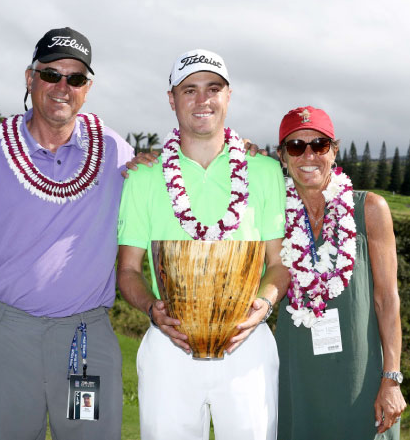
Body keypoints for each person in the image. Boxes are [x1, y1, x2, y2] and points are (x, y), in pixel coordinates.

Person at [0, 27, 134, 440]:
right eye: (51, 74)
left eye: (76, 78)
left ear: (88, 88)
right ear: (30, 78)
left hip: (84, 344)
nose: (62, 87)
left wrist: (234, 150)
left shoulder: (117, 153)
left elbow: (175, 175)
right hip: (5, 336)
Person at [116, 48, 289, 440]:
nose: (202, 100)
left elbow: (279, 264)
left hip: (248, 346)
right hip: (169, 346)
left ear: (228, 96)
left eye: (213, 89)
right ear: (172, 99)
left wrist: (262, 305)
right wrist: (151, 308)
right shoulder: (143, 177)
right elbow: (127, 270)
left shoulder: (263, 170)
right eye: (189, 90)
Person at [274, 106, 406, 439]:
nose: (308, 155)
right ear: (281, 156)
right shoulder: (272, 215)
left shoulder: (370, 209)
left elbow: (387, 298)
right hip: (297, 375)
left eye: (319, 145)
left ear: (334, 150)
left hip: (361, 376)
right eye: (295, 146)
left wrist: (391, 378)